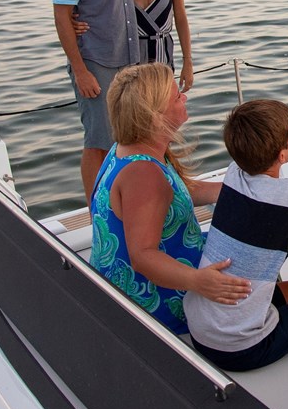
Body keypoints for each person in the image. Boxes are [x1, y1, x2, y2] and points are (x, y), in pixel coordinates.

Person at [184, 100, 288, 372]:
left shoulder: (234, 174)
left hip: (203, 331)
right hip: (244, 348)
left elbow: (271, 223)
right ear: (282, 154)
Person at [89, 63, 251, 336]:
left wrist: (237, 191)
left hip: (128, 286)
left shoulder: (126, 150)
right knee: (260, 249)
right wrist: (199, 281)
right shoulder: (143, 174)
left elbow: (173, 192)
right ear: (154, 117)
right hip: (152, 306)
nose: (184, 97)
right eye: (176, 97)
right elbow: (143, 257)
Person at [52, 0, 141, 201]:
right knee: (99, 142)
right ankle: (97, 212)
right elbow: (62, 16)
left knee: (128, 137)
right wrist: (81, 71)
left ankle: (122, 199)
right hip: (96, 63)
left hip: (129, 59)